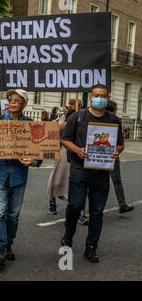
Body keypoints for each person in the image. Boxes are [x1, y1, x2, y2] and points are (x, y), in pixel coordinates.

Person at [61, 84, 124, 263]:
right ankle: (68, 235)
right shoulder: (78, 116)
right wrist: (77, 150)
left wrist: (116, 151)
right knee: (75, 205)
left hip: (101, 172)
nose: (99, 98)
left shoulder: (114, 119)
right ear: (90, 96)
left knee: (97, 212)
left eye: (103, 96)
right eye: (96, 95)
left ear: (108, 97)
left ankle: (91, 247)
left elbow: (120, 144)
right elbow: (65, 139)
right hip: (79, 170)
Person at [0, 89, 41, 270]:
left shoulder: (31, 125)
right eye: (10, 99)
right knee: (0, 212)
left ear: (24, 103)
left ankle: (8, 243)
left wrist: (33, 160)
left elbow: (39, 156)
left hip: (19, 176)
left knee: (13, 215)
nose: (13, 102)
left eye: (17, 99)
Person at [47, 99, 82, 215]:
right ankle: (51, 200)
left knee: (78, 181)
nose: (71, 106)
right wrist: (69, 123)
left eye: (74, 104)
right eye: (70, 104)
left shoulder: (83, 116)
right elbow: (55, 128)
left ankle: (79, 211)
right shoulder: (64, 118)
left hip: (79, 151)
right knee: (57, 178)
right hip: (64, 150)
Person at [105, 100, 134, 214]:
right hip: (112, 153)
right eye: (116, 108)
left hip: (100, 154)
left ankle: (87, 209)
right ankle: (122, 204)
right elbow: (120, 141)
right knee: (116, 180)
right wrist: (117, 151)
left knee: (96, 182)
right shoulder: (116, 120)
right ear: (113, 109)